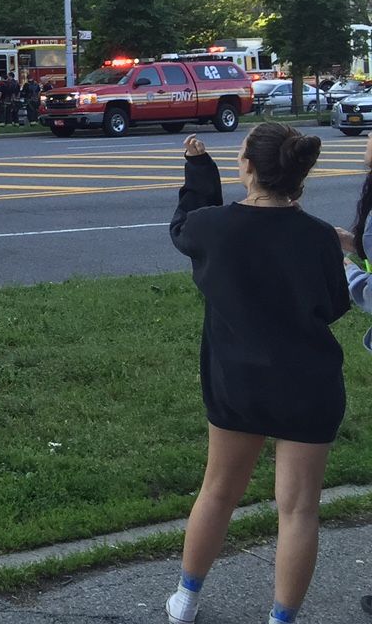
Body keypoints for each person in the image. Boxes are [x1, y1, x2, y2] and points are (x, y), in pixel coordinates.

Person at [167, 126, 343, 624]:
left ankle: (186, 599)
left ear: (246, 167)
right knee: (299, 509)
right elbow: (334, 305)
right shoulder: (319, 238)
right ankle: (282, 618)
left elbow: (185, 223)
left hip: (237, 379)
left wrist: (200, 172)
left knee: (219, 491)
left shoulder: (212, 230)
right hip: (310, 385)